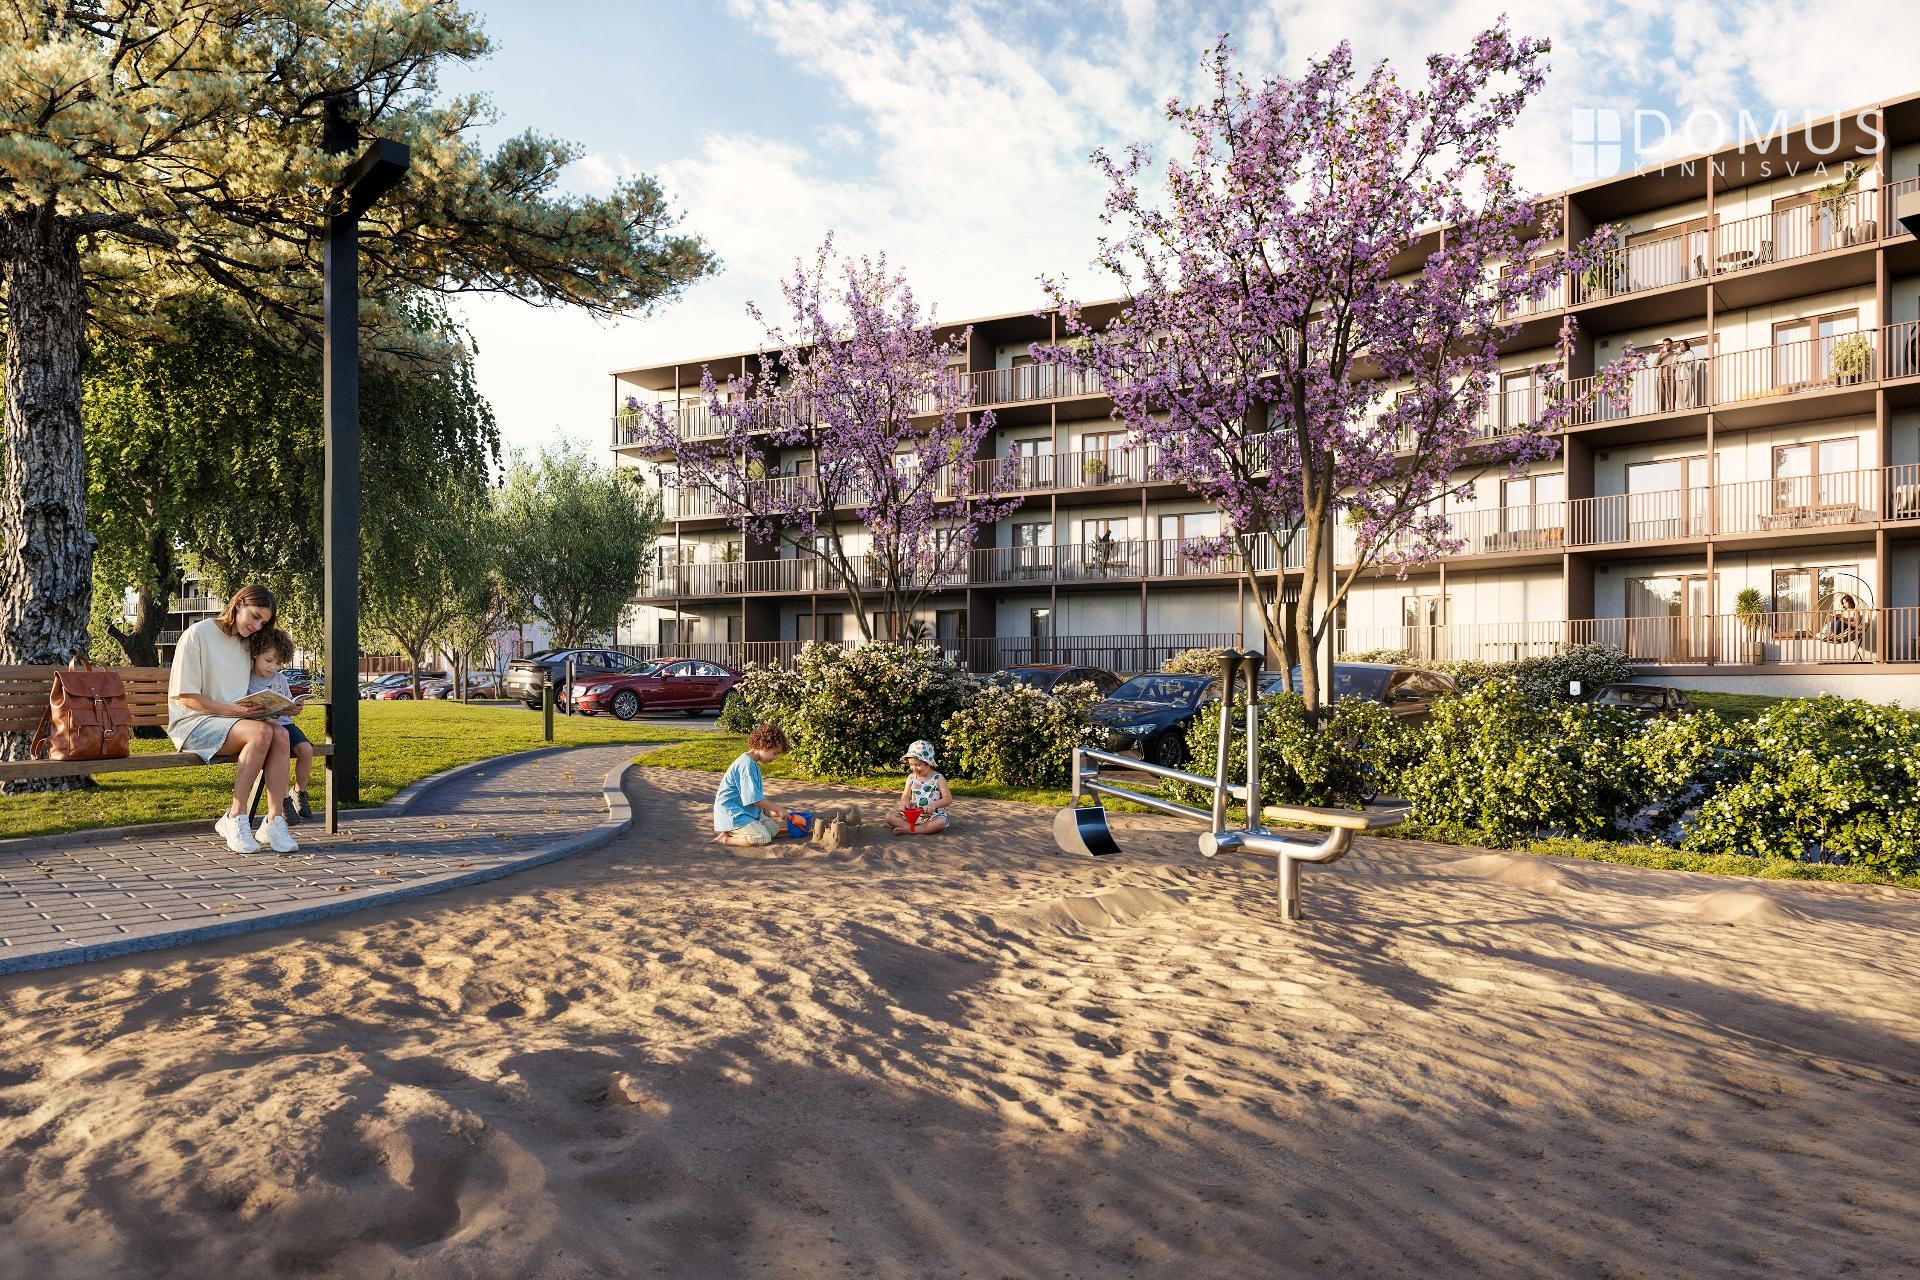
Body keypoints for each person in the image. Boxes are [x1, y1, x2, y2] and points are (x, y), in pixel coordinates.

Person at [167, 583, 297, 854]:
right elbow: (187, 698)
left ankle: (274, 821)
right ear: (238, 604)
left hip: (234, 722)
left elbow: (261, 680)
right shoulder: (197, 634)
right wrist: (235, 712)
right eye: (255, 616)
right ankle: (235, 816)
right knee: (262, 733)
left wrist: (280, 706)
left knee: (281, 734)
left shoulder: (248, 642)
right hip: (193, 723)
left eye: (263, 622)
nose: (257, 626)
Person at [247, 627, 315, 823]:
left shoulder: (280, 678)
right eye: (269, 661)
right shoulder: (247, 678)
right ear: (256, 653)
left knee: (306, 750)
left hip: (285, 723)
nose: (273, 667)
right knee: (279, 756)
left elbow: (287, 701)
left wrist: (293, 708)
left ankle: (299, 792)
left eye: (278, 664)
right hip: (263, 727)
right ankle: (283, 798)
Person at [712, 723, 790, 845]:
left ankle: (739, 830)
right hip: (734, 813)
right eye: (774, 753)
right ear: (763, 745)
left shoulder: (752, 764)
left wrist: (764, 808)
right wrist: (778, 809)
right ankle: (725, 838)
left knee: (773, 830)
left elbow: (755, 793)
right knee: (762, 838)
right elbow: (754, 799)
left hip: (746, 810)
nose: (774, 758)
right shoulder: (746, 765)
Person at [887, 739, 952, 836]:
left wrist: (934, 805)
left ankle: (909, 830)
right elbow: (906, 796)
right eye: (911, 764)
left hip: (931, 816)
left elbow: (948, 799)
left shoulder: (938, 778)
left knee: (940, 823)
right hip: (912, 815)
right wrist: (904, 803)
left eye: (917, 765)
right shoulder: (911, 777)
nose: (914, 768)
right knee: (889, 816)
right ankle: (915, 828)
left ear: (928, 763)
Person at [1654, 338, 1677, 413]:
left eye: (1667, 344)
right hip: (1660, 377)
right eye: (1664, 345)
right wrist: (1660, 353)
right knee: (1661, 397)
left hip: (1671, 377)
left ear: (1671, 344)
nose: (1666, 346)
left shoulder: (1675, 353)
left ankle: (1671, 412)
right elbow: (1655, 365)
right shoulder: (1662, 354)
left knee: (1671, 397)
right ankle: (1661, 412)